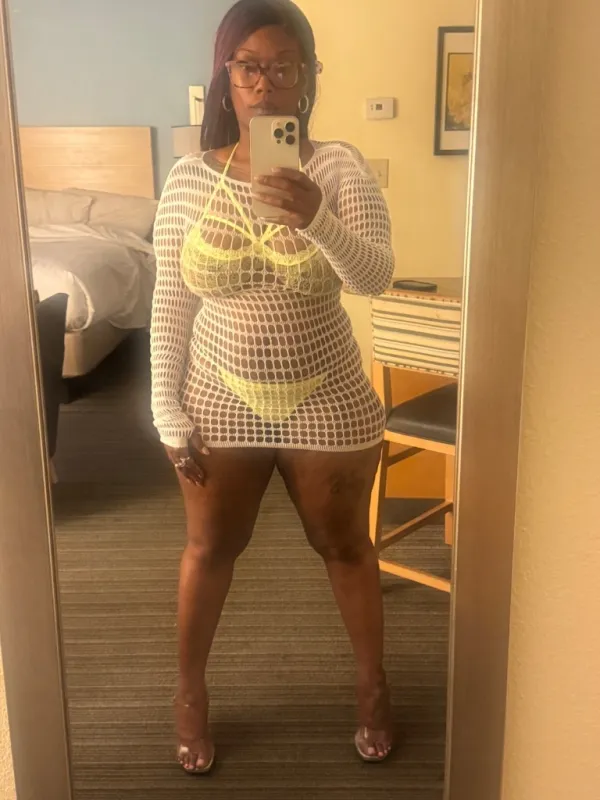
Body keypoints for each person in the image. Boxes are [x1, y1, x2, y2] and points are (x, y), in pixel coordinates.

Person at [150, 0, 395, 774]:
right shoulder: (188, 178)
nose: (265, 84)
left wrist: (318, 218)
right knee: (209, 549)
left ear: (309, 76)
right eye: (249, 67)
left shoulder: (340, 168)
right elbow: (169, 303)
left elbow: (376, 277)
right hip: (217, 396)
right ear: (227, 77)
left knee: (345, 546)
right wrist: (164, 408)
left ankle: (373, 688)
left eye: (283, 66)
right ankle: (189, 695)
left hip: (328, 394)